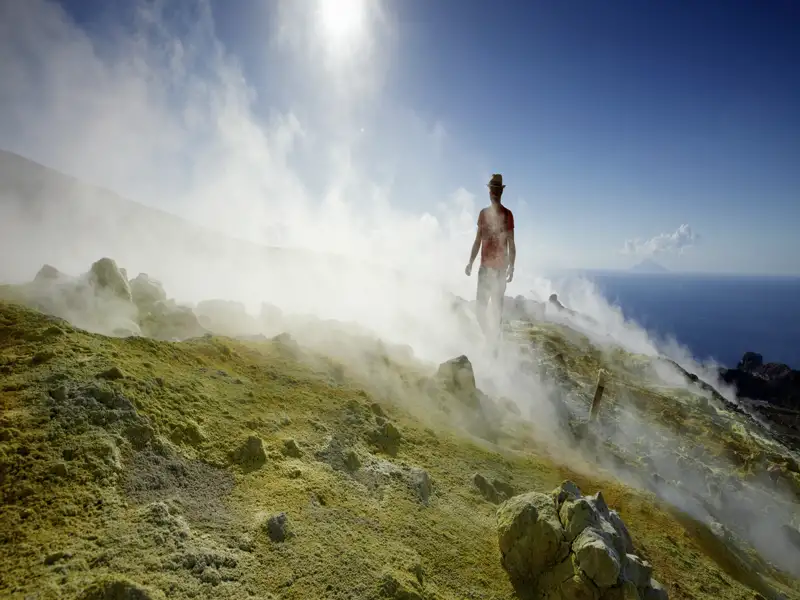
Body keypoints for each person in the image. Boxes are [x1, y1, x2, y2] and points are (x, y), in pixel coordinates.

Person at [465, 173, 516, 340]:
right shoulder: (483, 214)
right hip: (485, 269)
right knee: (480, 311)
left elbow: (511, 243)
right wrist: (470, 262)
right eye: (493, 190)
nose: (494, 193)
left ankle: (494, 346)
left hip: (499, 271)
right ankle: (490, 340)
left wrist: (512, 266)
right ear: (490, 192)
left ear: (500, 192)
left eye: (496, 190)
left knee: (496, 312)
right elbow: (478, 240)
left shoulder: (507, 215)